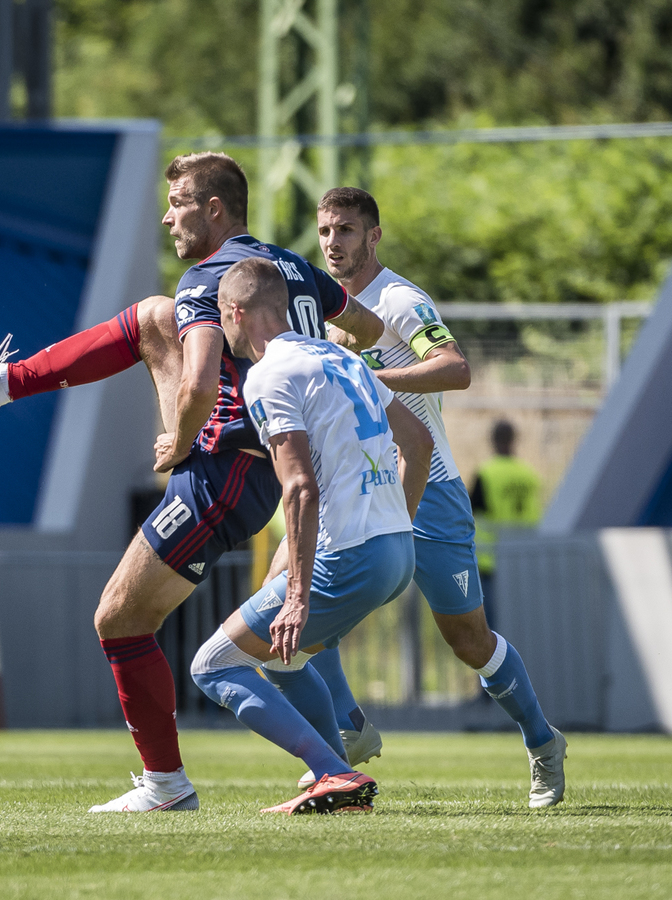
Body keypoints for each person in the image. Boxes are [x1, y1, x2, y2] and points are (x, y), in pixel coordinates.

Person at [0, 151, 384, 813]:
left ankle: (174, 786)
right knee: (154, 318)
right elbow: (368, 329)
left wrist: (178, 443)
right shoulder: (289, 267)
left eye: (177, 203)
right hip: (257, 469)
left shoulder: (208, 278)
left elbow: (201, 383)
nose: (166, 217)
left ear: (214, 209)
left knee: (120, 619)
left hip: (225, 472)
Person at [275, 187, 567, 808]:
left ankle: (543, 742)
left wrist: (366, 377)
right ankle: (349, 728)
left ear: (373, 236)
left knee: (469, 641)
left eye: (346, 230)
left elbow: (455, 369)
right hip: (353, 490)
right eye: (325, 230)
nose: (333, 242)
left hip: (429, 488)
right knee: (292, 601)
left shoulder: (400, 300)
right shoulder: (318, 310)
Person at [188, 257, 434, 814]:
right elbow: (418, 443)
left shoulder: (267, 375)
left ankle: (331, 770)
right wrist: (395, 522)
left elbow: (299, 487)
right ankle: (339, 776)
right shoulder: (344, 359)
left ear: (236, 312)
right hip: (397, 551)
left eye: (220, 316)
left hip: (349, 556)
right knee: (284, 658)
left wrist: (296, 595)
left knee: (214, 664)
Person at [469, 420, 543, 612]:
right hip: (522, 555)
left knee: (492, 620)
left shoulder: (486, 473)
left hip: (491, 559)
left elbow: (468, 511)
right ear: (514, 440)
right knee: (521, 616)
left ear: (492, 440)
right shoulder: (528, 473)